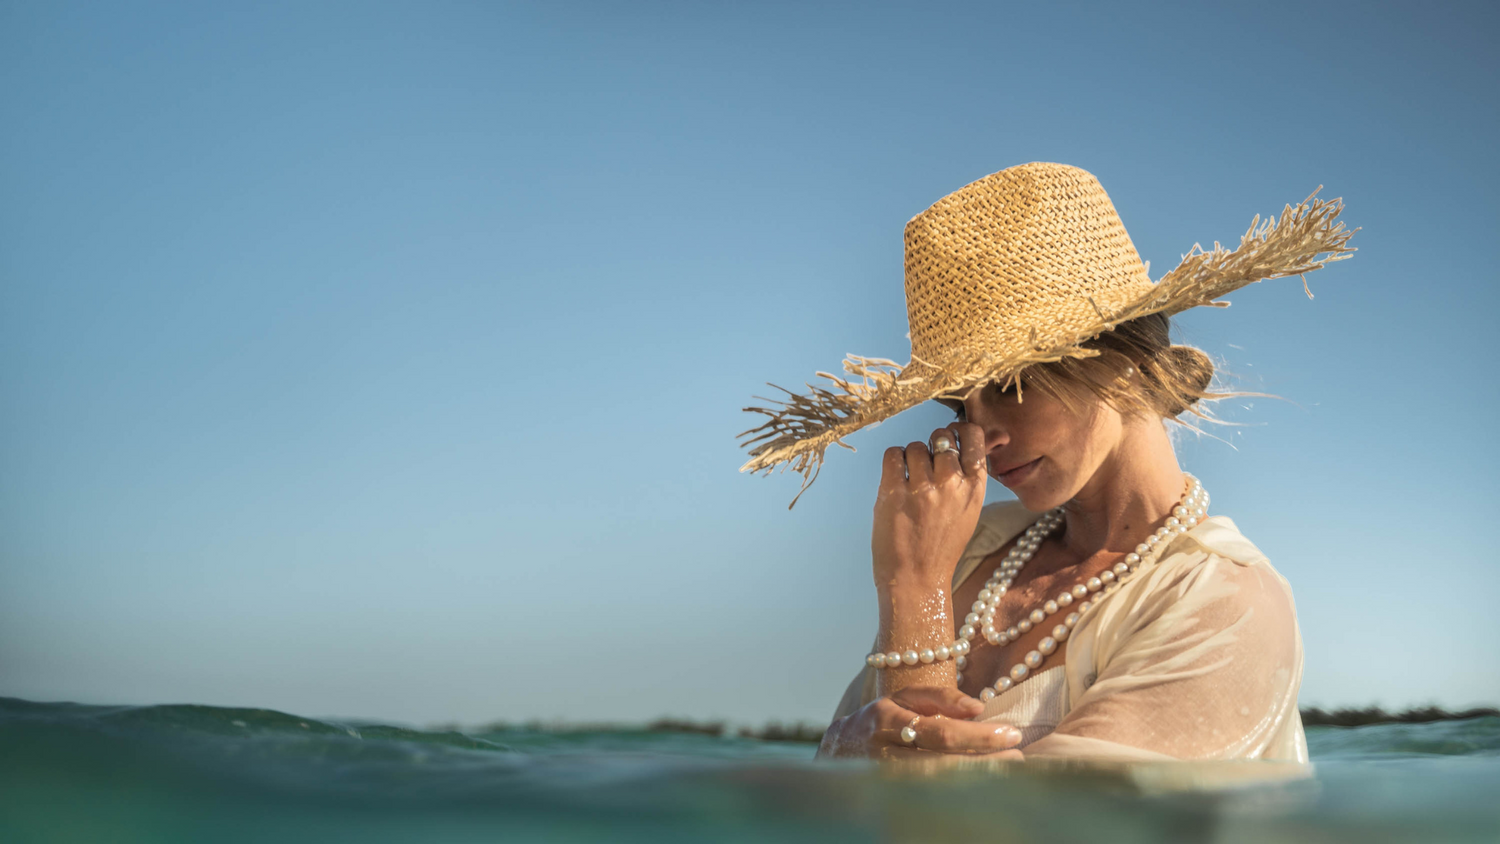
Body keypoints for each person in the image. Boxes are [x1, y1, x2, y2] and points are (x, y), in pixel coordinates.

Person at [736, 162, 1355, 763]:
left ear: (1124, 358)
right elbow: (862, 778)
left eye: (1010, 382)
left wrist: (914, 591)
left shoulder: (1225, 602)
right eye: (958, 402)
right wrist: (841, 747)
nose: (981, 434)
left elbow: (935, 816)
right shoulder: (975, 548)